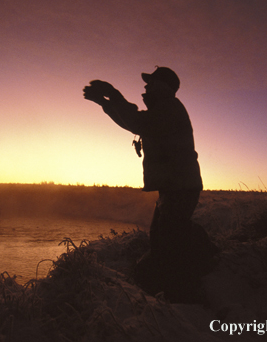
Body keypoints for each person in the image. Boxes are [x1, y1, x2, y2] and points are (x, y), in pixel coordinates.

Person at [83, 66, 217, 301]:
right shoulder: (163, 108)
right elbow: (138, 121)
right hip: (175, 186)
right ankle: (194, 270)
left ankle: (186, 288)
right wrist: (108, 102)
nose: (146, 86)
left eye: (151, 82)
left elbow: (138, 122)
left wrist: (112, 97)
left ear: (165, 85)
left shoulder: (169, 108)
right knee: (164, 236)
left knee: (168, 239)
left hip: (180, 186)